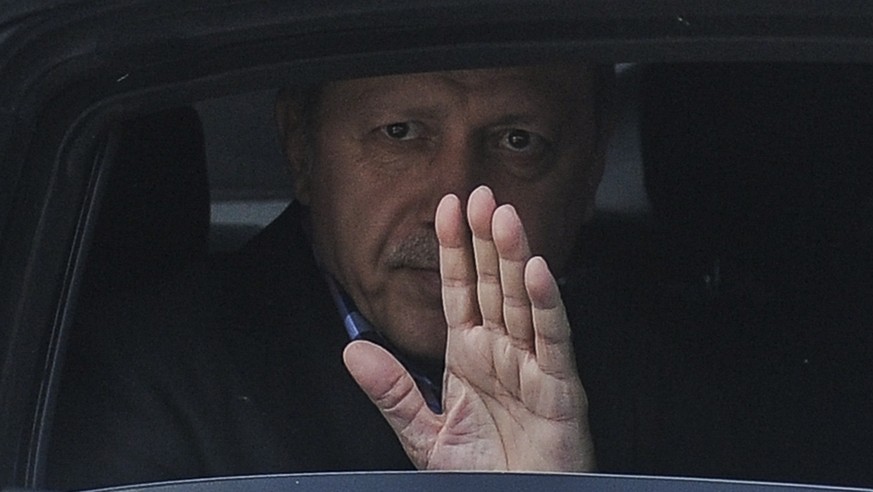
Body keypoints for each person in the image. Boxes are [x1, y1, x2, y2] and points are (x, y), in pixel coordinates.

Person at [49, 63, 654, 489]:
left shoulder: (692, 377)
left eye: (519, 141)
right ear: (301, 147)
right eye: (401, 133)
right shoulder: (148, 376)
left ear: (591, 171)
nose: (455, 204)